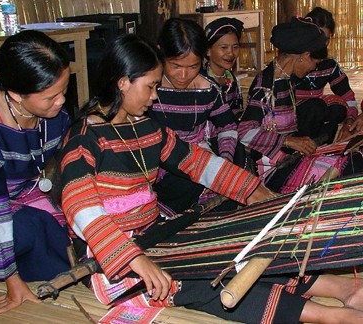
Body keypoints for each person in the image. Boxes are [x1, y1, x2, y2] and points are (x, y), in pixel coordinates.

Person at [57, 33, 363, 324]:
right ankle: (330, 316)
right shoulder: (84, 138)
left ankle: (340, 288)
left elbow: (198, 162)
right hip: (111, 256)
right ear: (123, 83)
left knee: (236, 247)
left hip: (155, 235)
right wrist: (135, 259)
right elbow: (80, 206)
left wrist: (254, 192)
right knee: (196, 282)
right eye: (151, 86)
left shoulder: (146, 127)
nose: (154, 95)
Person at [0, 30, 72, 316]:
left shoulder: (51, 112)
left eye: (64, 90)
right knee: (29, 227)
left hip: (21, 192)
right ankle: (4, 269)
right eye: (51, 96)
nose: (61, 101)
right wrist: (10, 279)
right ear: (15, 94)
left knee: (65, 233)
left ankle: (37, 274)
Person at [238, 16, 363, 194]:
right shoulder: (266, 86)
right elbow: (244, 132)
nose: (313, 68)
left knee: (355, 156)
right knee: (351, 166)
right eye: (314, 62)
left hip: (290, 159)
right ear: (303, 56)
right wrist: (289, 141)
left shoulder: (285, 80)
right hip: (274, 170)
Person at [147, 18, 240, 216]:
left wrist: (225, 160)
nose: (183, 75)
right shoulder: (149, 90)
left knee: (236, 159)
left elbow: (228, 126)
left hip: (200, 159)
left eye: (193, 67)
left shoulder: (207, 89)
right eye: (175, 66)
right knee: (189, 178)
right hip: (163, 168)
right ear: (160, 52)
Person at [294, 7, 360, 141]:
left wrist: (349, 121)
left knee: (337, 106)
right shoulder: (293, 61)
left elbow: (348, 97)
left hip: (316, 115)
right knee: (314, 107)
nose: (322, 44)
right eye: (318, 38)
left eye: (327, 39)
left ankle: (323, 145)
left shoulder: (328, 65)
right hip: (292, 119)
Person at [203, 17, 245, 119]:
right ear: (208, 51)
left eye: (235, 47)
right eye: (223, 47)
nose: (231, 53)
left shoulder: (231, 80)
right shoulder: (202, 82)